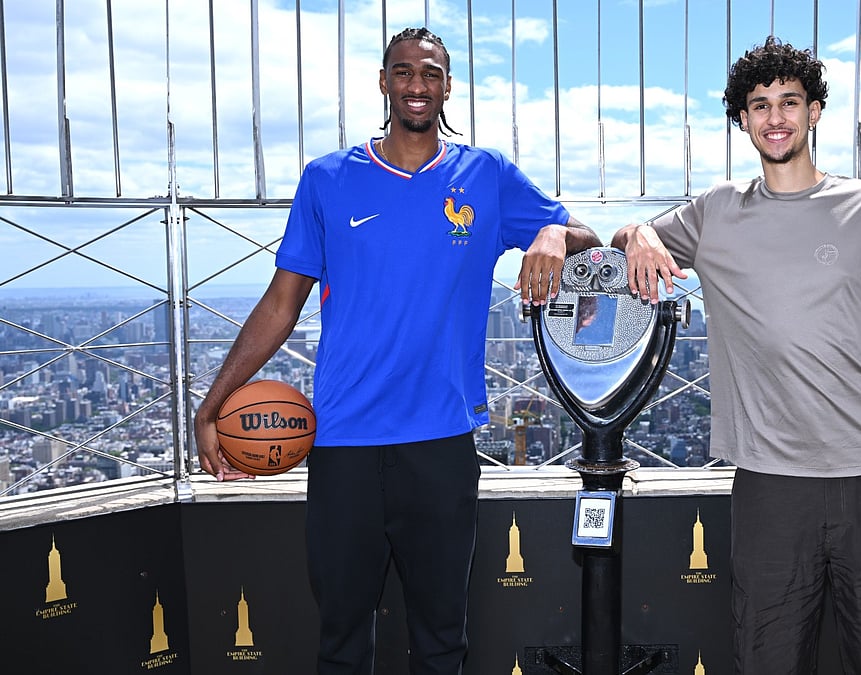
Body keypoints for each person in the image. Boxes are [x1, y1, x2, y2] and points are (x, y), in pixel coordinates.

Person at [193, 27, 599, 675]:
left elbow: (587, 238)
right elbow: (279, 305)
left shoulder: (487, 175)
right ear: (384, 82)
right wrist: (212, 404)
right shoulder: (327, 179)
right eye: (404, 71)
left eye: (431, 73)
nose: (417, 85)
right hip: (344, 446)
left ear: (448, 87)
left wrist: (551, 230)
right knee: (342, 643)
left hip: (440, 445)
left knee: (441, 641)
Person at [612, 36, 861, 674]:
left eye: (789, 101)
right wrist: (641, 233)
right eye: (759, 106)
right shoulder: (716, 212)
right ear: (743, 120)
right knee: (768, 660)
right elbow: (624, 235)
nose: (775, 117)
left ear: (815, 111)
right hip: (769, 487)